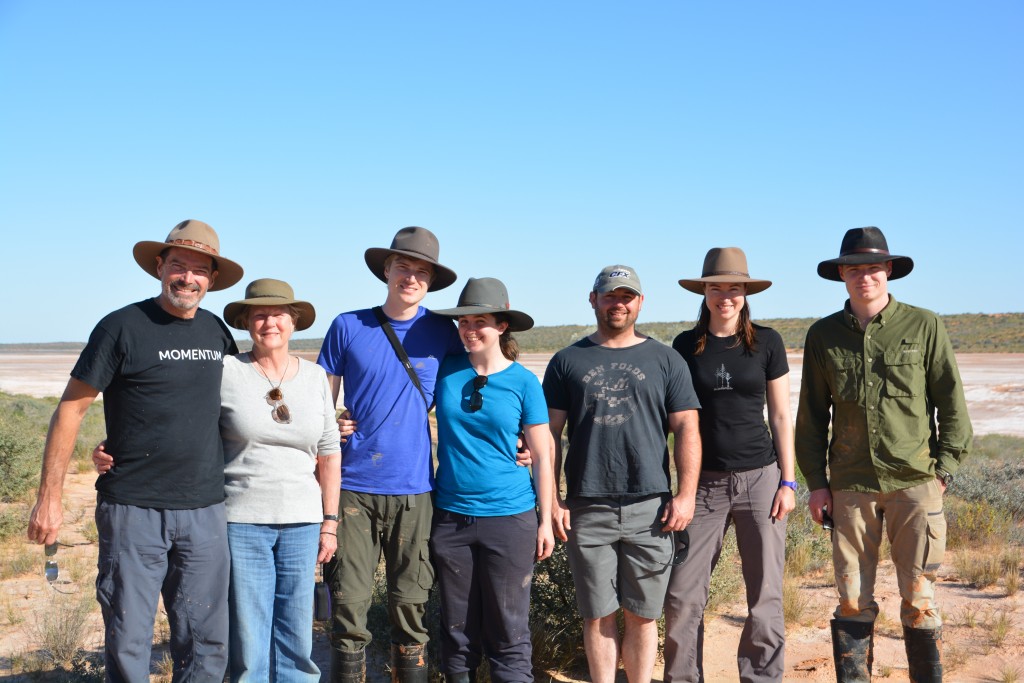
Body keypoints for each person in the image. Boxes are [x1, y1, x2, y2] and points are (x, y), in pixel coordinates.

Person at [94, 278, 343, 682]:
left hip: (304, 519)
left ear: (294, 321)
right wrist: (117, 445)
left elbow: (329, 452)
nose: (269, 323)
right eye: (259, 315)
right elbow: (178, 413)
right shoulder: (227, 370)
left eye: (278, 314)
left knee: (297, 627)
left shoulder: (316, 377)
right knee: (249, 629)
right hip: (241, 518)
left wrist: (329, 522)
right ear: (245, 323)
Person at [27, 219, 244, 682]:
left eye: (199, 270)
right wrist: (50, 497)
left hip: (205, 510)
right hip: (133, 510)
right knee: (129, 637)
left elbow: (233, 409)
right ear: (159, 266)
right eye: (178, 265)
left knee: (207, 641)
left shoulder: (216, 331)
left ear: (212, 278)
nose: (187, 278)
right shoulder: (121, 326)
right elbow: (70, 409)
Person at [795, 227, 972, 683]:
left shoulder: (924, 325)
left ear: (888, 270)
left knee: (920, 599)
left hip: (915, 483)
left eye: (873, 267)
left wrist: (943, 471)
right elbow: (811, 416)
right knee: (852, 600)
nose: (864, 277)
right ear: (842, 275)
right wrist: (817, 484)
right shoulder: (823, 335)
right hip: (850, 486)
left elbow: (951, 403)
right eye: (854, 269)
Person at [316, 226, 463, 682]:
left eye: (422, 271)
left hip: (415, 490)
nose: (411, 277)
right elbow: (320, 403)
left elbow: (476, 387)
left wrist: (519, 440)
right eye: (403, 266)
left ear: (431, 281)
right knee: (349, 606)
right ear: (386, 269)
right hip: (353, 490)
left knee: (411, 606)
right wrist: (332, 422)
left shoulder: (444, 332)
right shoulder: (348, 326)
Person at [542, 265, 702, 683]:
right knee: (597, 615)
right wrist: (552, 501)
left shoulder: (666, 359)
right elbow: (549, 435)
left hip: (651, 508)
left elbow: (687, 427)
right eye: (610, 295)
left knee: (643, 615)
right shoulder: (566, 361)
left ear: (640, 303)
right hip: (586, 506)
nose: (618, 303)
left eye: (626, 296)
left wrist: (686, 495)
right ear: (593, 299)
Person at [663, 247, 796, 683]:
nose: (725, 296)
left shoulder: (767, 342)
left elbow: (781, 416)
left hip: (761, 478)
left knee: (765, 594)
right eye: (716, 288)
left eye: (733, 288)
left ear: (745, 293)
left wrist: (789, 482)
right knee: (683, 593)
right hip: (702, 484)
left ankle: (761, 677)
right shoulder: (685, 346)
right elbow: (675, 417)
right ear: (704, 293)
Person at [429, 277, 555, 683]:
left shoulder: (524, 382)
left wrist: (546, 520)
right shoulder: (445, 371)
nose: (469, 330)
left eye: (479, 321)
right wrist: (346, 422)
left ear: (502, 326)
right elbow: (399, 405)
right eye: (463, 322)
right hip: (451, 519)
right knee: (456, 630)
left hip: (510, 518)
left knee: (509, 630)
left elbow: (543, 454)